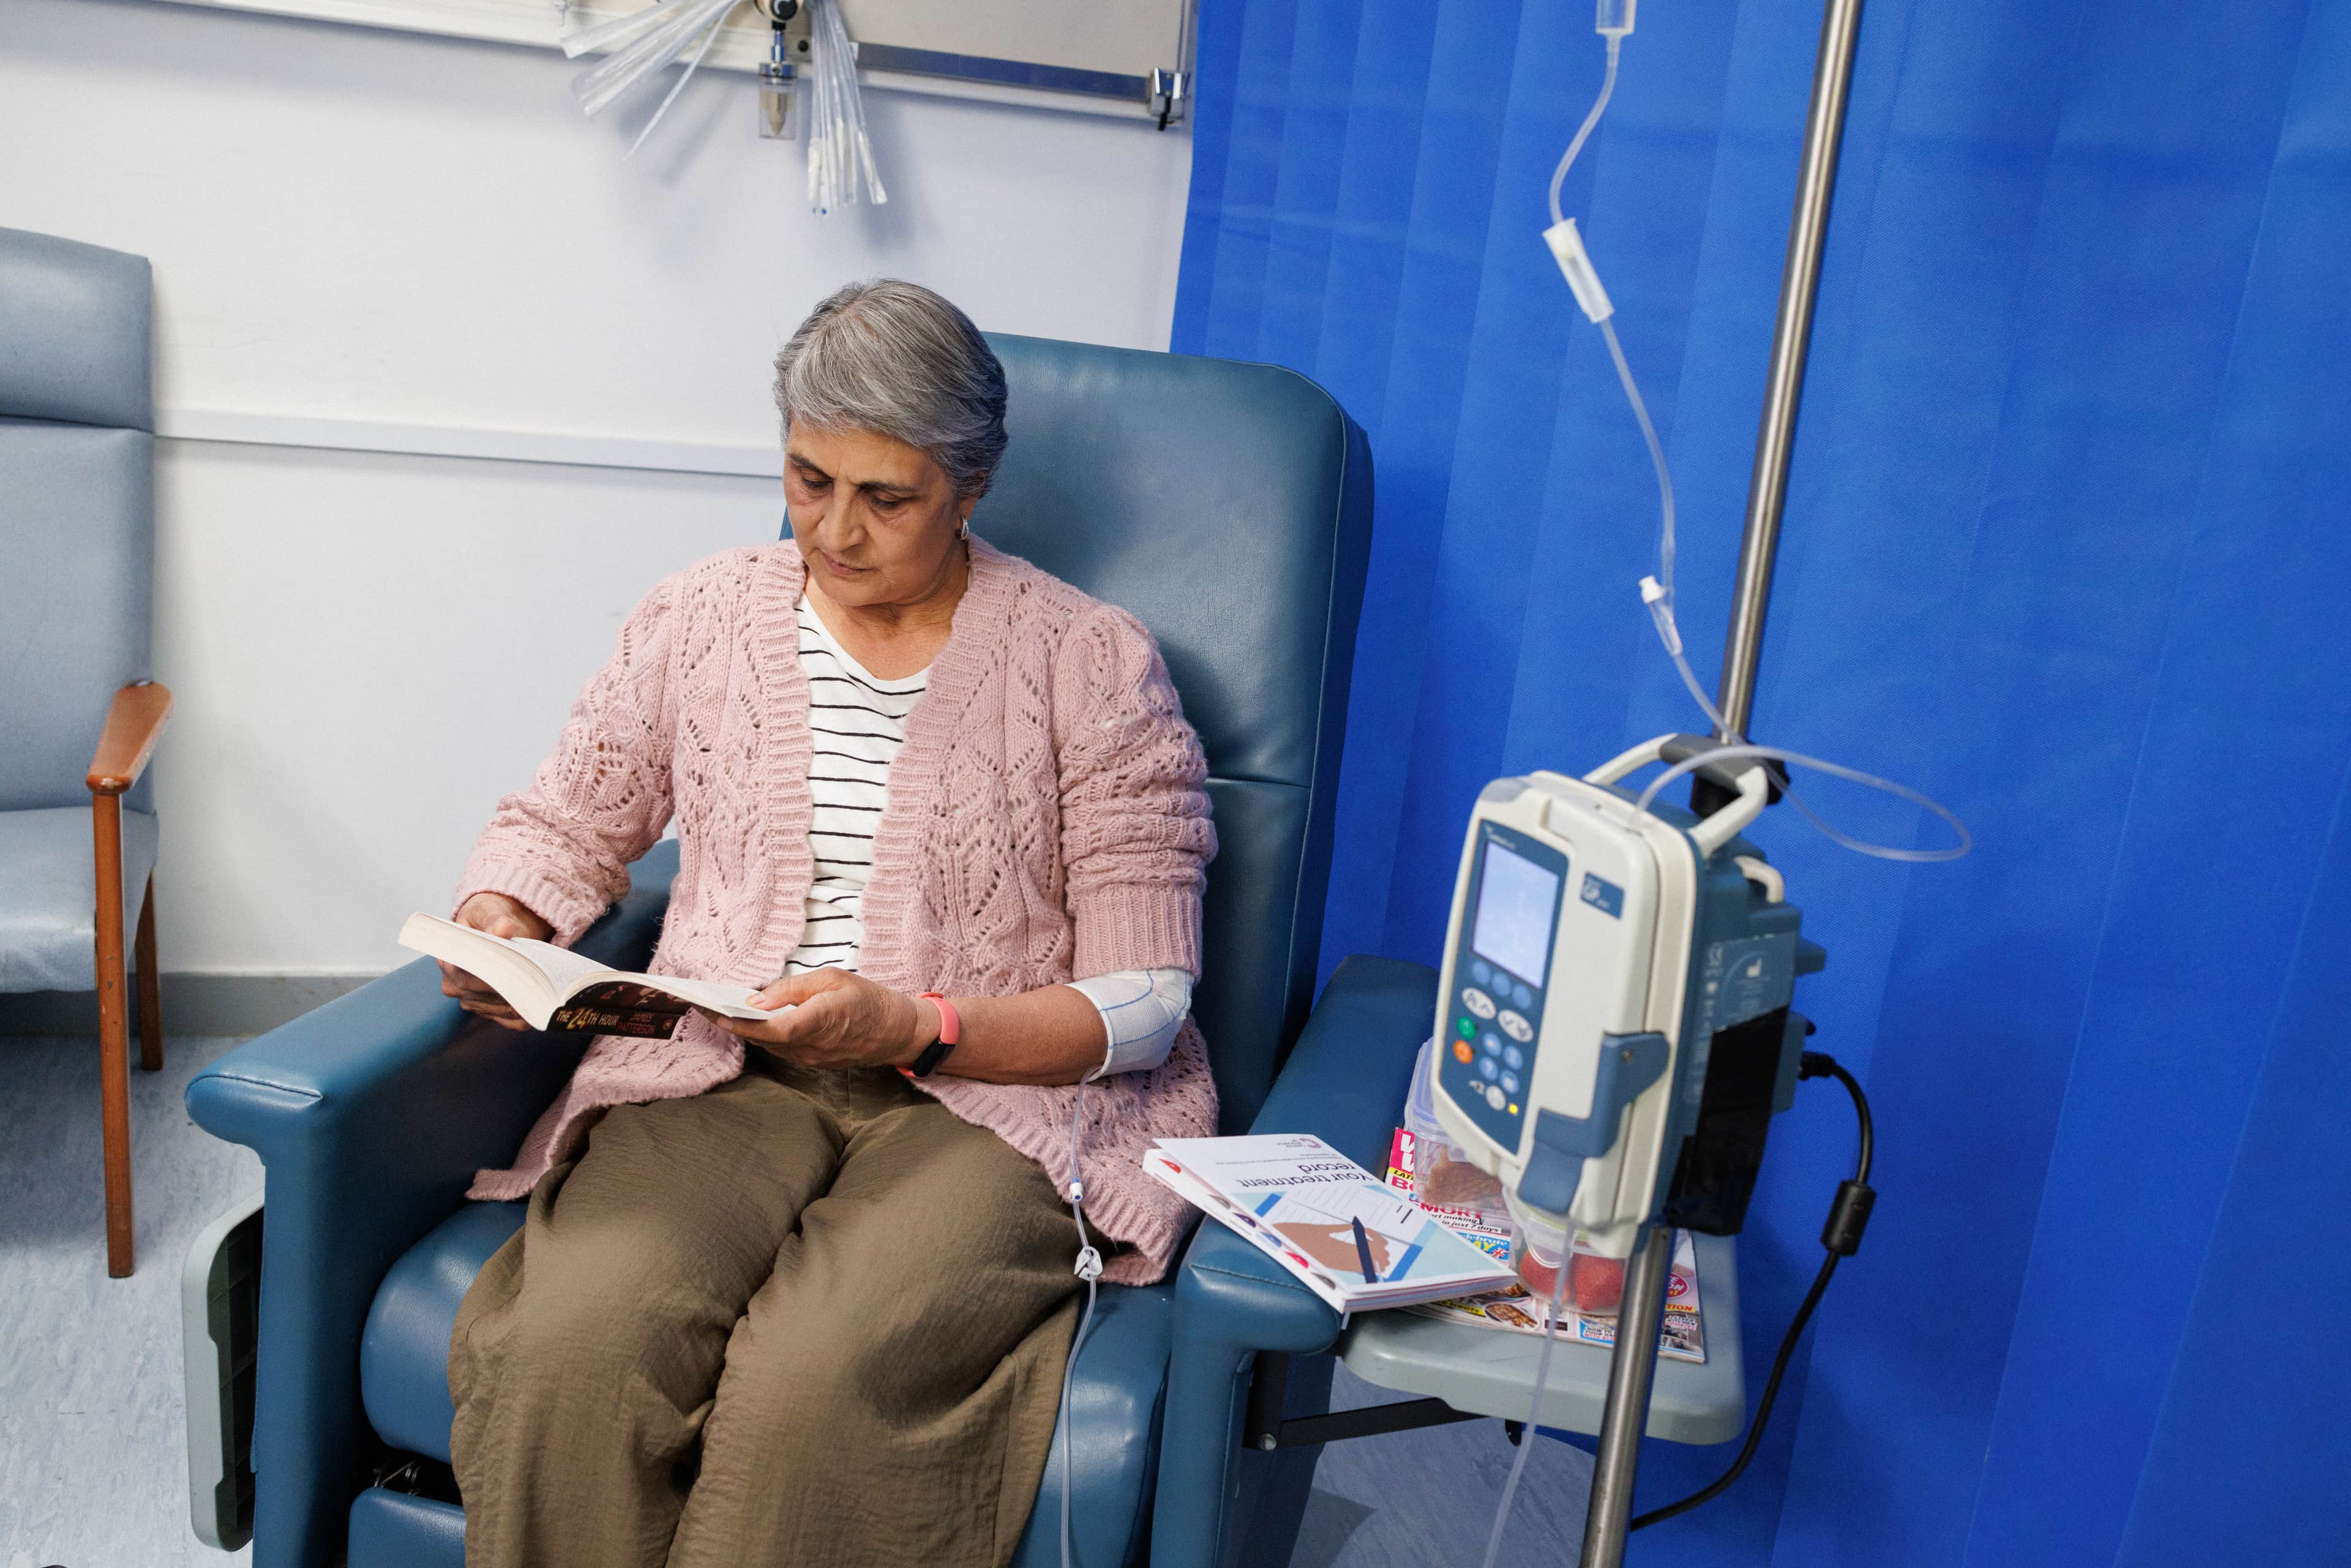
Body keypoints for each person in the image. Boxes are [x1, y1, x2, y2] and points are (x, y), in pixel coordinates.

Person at [431, 279, 1218, 1568]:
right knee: (577, 1343)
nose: (834, 532)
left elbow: (1145, 1002)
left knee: (818, 1387)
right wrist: (505, 911)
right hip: (726, 1069)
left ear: (972, 487)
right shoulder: (701, 618)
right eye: (806, 481)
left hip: (991, 1108)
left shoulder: (1094, 664)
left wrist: (917, 1022)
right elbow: (568, 817)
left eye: (886, 498)